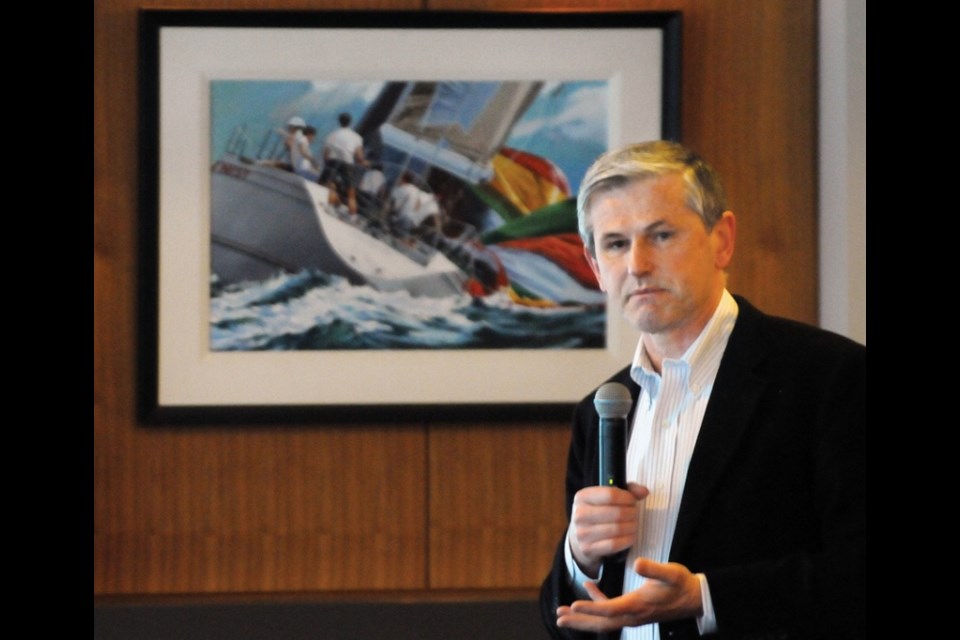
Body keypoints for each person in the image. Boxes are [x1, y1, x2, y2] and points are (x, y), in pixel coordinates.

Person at [539, 141, 865, 640]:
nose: (638, 264)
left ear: (722, 240)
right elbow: (564, 621)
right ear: (595, 265)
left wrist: (704, 598)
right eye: (616, 244)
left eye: (661, 235)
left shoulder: (829, 377)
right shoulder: (602, 410)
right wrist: (579, 557)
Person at [322, 112, 366, 214]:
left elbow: (326, 154)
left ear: (339, 121)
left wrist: (326, 164)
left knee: (330, 186)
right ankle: (352, 216)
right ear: (350, 122)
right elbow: (359, 157)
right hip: (347, 163)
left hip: (333, 161)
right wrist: (364, 162)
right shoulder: (356, 137)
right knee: (351, 194)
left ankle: (331, 207)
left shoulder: (332, 134)